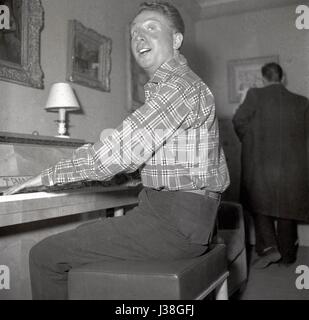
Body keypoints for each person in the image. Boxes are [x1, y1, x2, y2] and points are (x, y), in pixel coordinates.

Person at [4, 1, 230, 299]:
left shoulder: (178, 87)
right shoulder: (177, 88)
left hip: (173, 224)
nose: (139, 37)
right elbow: (148, 164)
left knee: (45, 255)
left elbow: (115, 154)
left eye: (151, 28)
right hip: (185, 219)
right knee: (87, 239)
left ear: (176, 40)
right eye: (134, 32)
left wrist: (43, 177)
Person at [233, 62, 309, 269]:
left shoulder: (255, 96)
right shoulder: (302, 102)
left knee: (260, 205)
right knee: (287, 208)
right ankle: (287, 255)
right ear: (282, 78)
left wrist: (251, 141)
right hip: (293, 168)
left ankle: (268, 248)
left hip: (261, 164)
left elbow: (238, 121)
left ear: (264, 79)